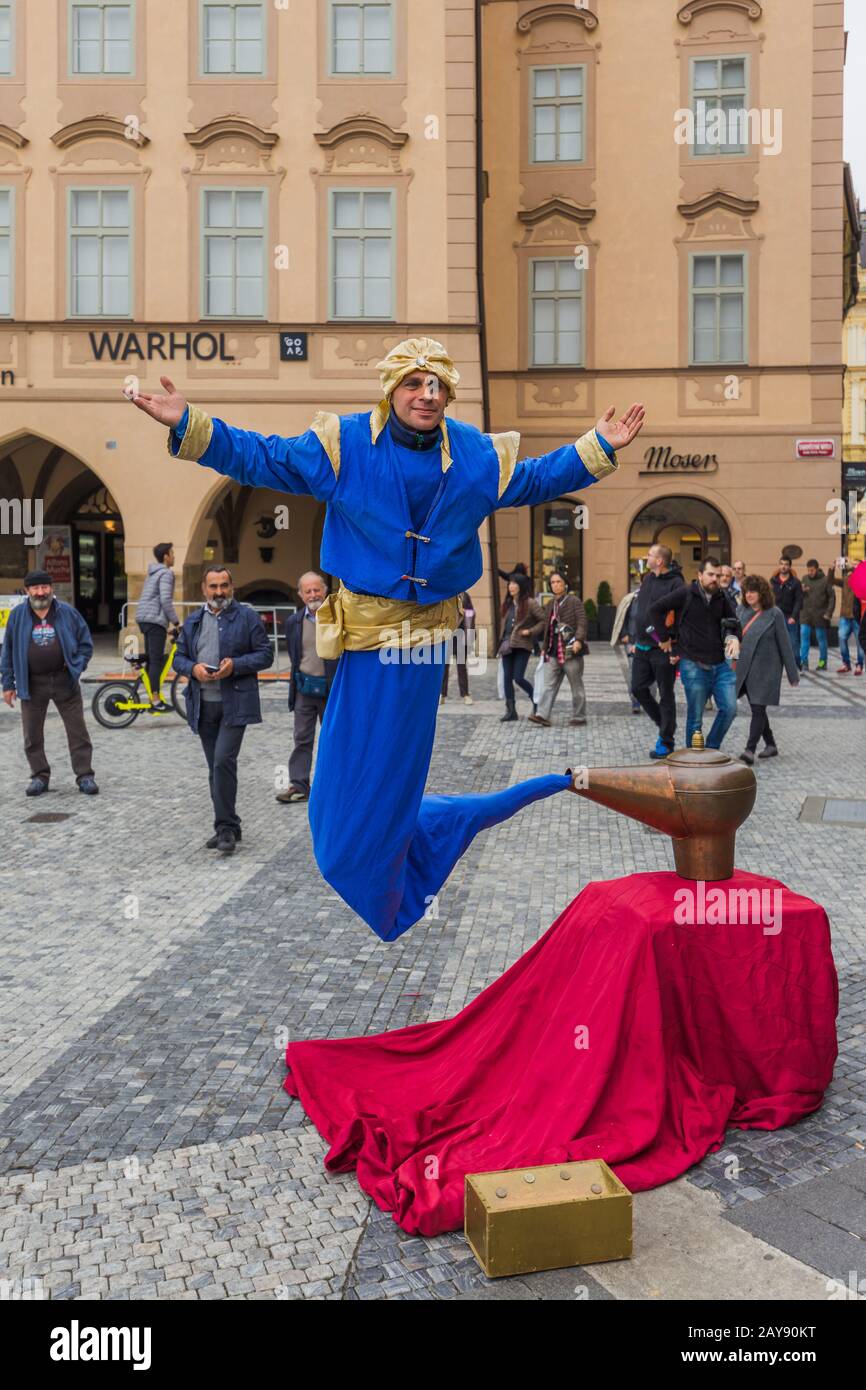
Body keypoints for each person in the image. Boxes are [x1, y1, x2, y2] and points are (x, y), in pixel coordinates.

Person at [130, 341, 645, 939]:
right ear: (393, 389)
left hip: (424, 645)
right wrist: (191, 425)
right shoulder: (344, 445)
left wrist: (598, 446)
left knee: (397, 768)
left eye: (437, 386)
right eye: (414, 384)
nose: (427, 395)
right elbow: (262, 457)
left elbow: (535, 479)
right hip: (368, 641)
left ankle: (394, 850)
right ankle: (379, 846)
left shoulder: (476, 455)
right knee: (350, 773)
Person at [173, 566, 274, 853]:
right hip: (203, 706)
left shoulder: (247, 617)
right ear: (203, 589)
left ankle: (226, 829)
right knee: (214, 768)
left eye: (224, 586)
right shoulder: (193, 622)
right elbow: (177, 658)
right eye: (213, 586)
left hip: (235, 704)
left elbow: (265, 654)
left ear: (232, 587)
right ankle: (229, 825)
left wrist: (236, 666)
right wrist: (192, 668)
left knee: (222, 762)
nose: (219, 592)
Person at [0, 570, 98, 796]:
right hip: (32, 682)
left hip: (64, 680)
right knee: (32, 734)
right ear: (27, 591)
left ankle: (85, 775)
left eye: (44, 587)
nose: (41, 592)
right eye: (35, 588)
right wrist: (8, 684)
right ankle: (39, 776)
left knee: (78, 731)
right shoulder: (17, 616)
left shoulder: (67, 613)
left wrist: (77, 665)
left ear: (51, 588)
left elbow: (86, 644)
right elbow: (8, 651)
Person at [650, 557, 739, 751]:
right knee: (695, 717)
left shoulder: (722, 597)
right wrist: (664, 638)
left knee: (730, 709)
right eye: (710, 575)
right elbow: (655, 609)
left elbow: (734, 624)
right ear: (700, 575)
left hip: (720, 664)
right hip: (693, 664)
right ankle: (693, 759)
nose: (714, 579)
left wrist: (733, 655)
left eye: (718, 575)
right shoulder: (685, 593)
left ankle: (712, 748)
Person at [278, 571, 339, 804]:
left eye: (317, 590)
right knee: (302, 738)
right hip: (304, 688)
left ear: (325, 591)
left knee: (333, 739)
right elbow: (295, 656)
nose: (313, 594)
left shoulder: (336, 618)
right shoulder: (294, 622)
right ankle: (299, 784)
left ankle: (334, 785)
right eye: (308, 591)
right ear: (301, 595)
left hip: (331, 689)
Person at [735, 574, 799, 764]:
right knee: (758, 708)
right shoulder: (740, 611)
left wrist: (792, 674)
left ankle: (749, 750)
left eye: (753, 592)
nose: (749, 595)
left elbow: (785, 644)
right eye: (746, 591)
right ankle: (771, 744)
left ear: (762, 593)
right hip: (744, 668)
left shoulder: (774, 614)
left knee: (757, 707)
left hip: (767, 670)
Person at [630, 544, 686, 757]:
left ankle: (666, 740)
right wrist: (635, 637)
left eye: (651, 555)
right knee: (637, 689)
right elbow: (641, 611)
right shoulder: (648, 579)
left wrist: (671, 642)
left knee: (666, 695)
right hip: (642, 646)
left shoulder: (676, 583)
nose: (647, 557)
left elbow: (679, 617)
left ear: (660, 561)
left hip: (663, 648)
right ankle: (665, 725)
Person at [529, 570, 588, 727]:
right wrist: (543, 648)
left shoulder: (574, 601)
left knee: (576, 685)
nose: (555, 585)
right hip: (553, 650)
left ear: (565, 584)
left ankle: (579, 716)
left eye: (558, 582)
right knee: (549, 684)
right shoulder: (550, 604)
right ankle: (542, 714)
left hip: (570, 649)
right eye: (553, 582)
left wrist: (579, 640)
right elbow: (547, 627)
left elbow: (582, 622)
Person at [134, 542, 180, 711]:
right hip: (154, 620)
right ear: (166, 556)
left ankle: (150, 689)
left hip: (146, 619)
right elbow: (165, 601)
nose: (174, 556)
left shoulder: (152, 573)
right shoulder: (166, 573)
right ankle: (155, 701)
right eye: (172, 553)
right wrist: (176, 623)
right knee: (156, 661)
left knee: (154, 658)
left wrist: (164, 624)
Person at [498, 574, 546, 721]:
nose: (511, 586)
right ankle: (511, 711)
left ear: (521, 586)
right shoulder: (507, 603)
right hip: (507, 644)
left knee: (518, 677)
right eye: (509, 584)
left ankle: (537, 702)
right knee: (507, 678)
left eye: (514, 584)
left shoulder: (530, 603)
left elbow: (543, 620)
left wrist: (530, 631)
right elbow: (505, 626)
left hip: (522, 645)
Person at [799, 558, 835, 671]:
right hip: (806, 614)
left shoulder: (825, 580)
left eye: (812, 570)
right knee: (804, 636)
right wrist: (802, 591)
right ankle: (804, 662)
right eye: (808, 570)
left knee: (821, 638)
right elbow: (799, 595)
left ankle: (822, 662)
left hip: (821, 614)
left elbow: (832, 597)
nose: (810, 572)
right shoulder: (804, 579)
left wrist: (829, 613)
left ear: (817, 569)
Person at [441, 590, 475, 705]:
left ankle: (465, 694)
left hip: (461, 636)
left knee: (461, 666)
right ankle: (442, 694)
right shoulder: (446, 594)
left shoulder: (465, 596)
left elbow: (471, 614)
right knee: (444, 667)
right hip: (447, 636)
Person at [770, 555, 804, 669]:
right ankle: (776, 665)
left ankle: (796, 666)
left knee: (793, 643)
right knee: (774, 642)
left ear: (789, 567)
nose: (783, 566)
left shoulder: (795, 583)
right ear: (779, 565)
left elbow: (799, 601)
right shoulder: (773, 581)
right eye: (782, 564)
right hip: (775, 616)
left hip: (790, 616)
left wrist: (793, 616)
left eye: (786, 564)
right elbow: (769, 598)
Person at [832, 559, 864, 675]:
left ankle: (860, 665)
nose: (853, 566)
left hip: (857, 616)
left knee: (860, 642)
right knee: (841, 638)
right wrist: (832, 568)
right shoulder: (846, 579)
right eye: (853, 564)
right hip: (845, 616)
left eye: (856, 564)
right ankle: (846, 664)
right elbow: (831, 580)